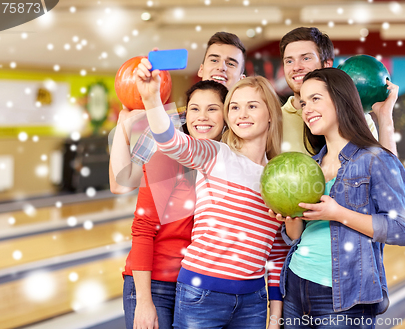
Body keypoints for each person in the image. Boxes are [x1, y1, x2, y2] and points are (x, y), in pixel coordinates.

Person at [135, 56, 288, 329]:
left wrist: (274, 319)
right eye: (235, 107)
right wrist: (151, 100)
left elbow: (276, 255)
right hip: (201, 294)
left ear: (271, 114)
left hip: (253, 301)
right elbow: (171, 142)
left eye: (252, 106)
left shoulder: (278, 178)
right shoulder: (216, 154)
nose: (242, 114)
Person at [270, 68, 405, 328]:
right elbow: (296, 237)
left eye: (315, 99)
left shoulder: (374, 159)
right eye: (303, 102)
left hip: (344, 297)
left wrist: (338, 214)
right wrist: (289, 216)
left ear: (340, 99)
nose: (307, 108)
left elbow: (401, 230)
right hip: (295, 287)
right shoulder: (309, 166)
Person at [116, 80, 229, 329]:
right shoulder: (168, 155)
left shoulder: (228, 163)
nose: (202, 117)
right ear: (185, 114)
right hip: (156, 285)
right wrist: (145, 301)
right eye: (194, 109)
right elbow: (144, 227)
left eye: (212, 109)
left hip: (196, 286)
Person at [109, 31, 247, 192]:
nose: (221, 67)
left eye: (231, 63)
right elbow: (121, 185)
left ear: (241, 79)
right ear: (201, 70)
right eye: (214, 60)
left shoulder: (248, 127)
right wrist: (124, 123)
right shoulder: (166, 125)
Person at [279, 27, 398, 156]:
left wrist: (385, 116)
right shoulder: (274, 120)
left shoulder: (356, 118)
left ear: (327, 64)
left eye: (306, 58)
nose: (296, 67)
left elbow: (388, 172)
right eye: (289, 61)